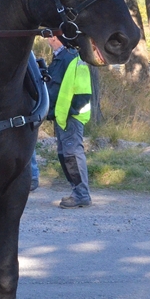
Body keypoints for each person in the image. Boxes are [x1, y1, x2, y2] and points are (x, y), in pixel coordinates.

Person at [45, 35, 92, 208]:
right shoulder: (61, 58)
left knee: (72, 155)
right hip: (63, 116)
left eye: (49, 36)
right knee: (65, 155)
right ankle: (77, 192)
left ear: (55, 38)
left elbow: (82, 91)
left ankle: (81, 194)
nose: (47, 39)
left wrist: (71, 111)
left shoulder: (71, 58)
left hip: (71, 116)